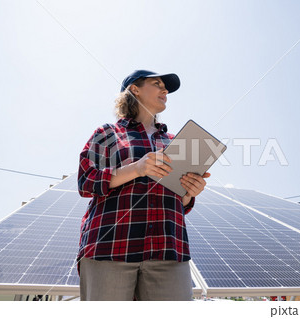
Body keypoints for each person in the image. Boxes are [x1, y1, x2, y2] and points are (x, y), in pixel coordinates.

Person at [77, 70, 210, 301]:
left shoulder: (174, 141)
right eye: (157, 84)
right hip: (110, 246)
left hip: (168, 250)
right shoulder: (108, 133)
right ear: (135, 89)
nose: (164, 90)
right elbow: (86, 181)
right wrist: (136, 168)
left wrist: (190, 192)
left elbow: (182, 202)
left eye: (165, 87)